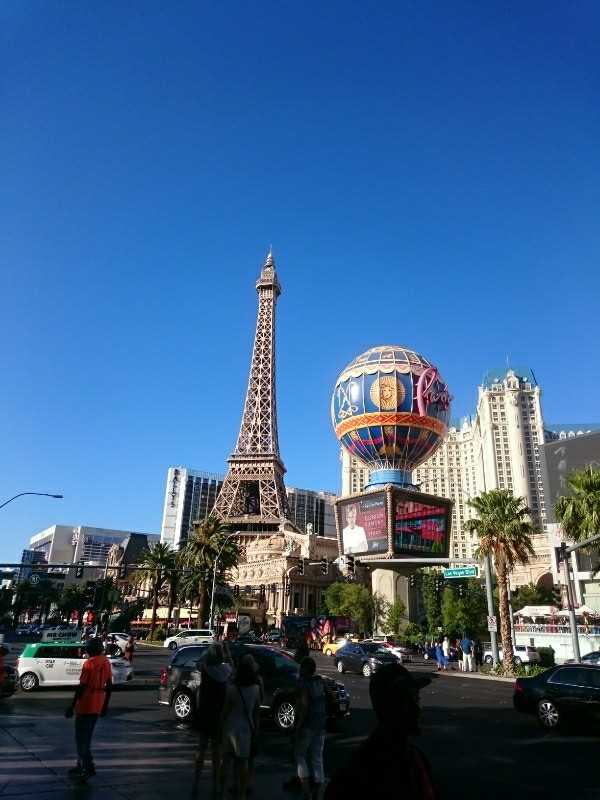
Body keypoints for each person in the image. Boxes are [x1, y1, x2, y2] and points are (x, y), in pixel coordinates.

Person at [325, 662, 436, 799]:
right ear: (390, 707)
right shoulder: (363, 771)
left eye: (417, 699)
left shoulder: (413, 757)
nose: (417, 708)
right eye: (408, 701)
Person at [65, 637, 112, 781]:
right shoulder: (106, 661)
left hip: (86, 704)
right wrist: (105, 706)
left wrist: (72, 706)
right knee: (87, 737)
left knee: (81, 739)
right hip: (98, 704)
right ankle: (80, 765)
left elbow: (81, 687)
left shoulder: (89, 663)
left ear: (91, 649)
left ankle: (87, 767)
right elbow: (109, 685)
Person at [221, 654, 261, 800]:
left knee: (226, 762)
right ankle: (242, 793)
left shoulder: (232, 689)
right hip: (246, 729)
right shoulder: (256, 689)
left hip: (231, 727)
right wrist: (256, 730)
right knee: (243, 762)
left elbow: (225, 711)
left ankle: (222, 791)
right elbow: (256, 713)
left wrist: (221, 725)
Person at [195, 644, 232, 798]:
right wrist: (226, 652)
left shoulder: (206, 670)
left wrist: (211, 650)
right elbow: (231, 664)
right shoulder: (225, 671)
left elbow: (199, 662)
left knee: (201, 748)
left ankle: (196, 780)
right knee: (216, 752)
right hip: (218, 715)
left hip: (205, 712)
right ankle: (216, 784)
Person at [295, 658, 327, 800]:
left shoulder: (304, 683)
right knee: (317, 757)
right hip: (321, 723)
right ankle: (318, 792)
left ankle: (306, 791)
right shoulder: (320, 681)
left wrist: (298, 725)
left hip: (308, 724)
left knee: (300, 756)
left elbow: (304, 705)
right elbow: (330, 696)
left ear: (304, 669)